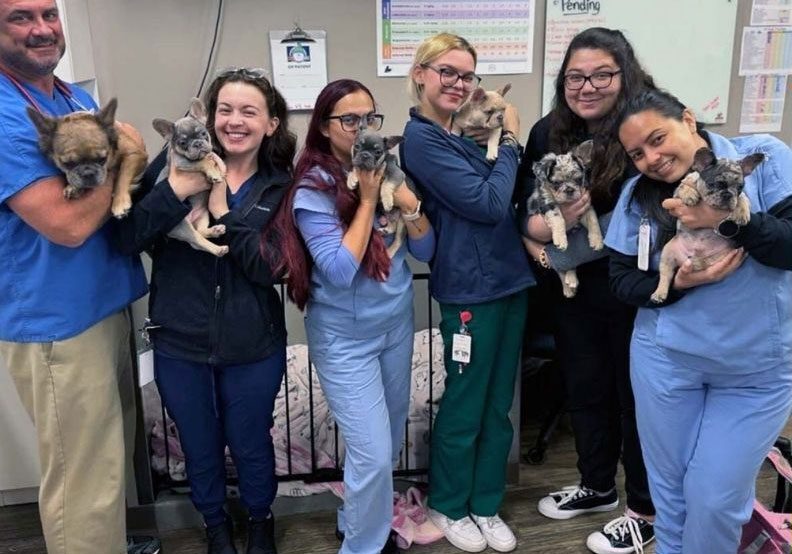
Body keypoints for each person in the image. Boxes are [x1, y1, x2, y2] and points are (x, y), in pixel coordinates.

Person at [605, 87, 792, 554]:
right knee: (670, 497)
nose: (651, 159)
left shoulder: (763, 158)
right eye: (637, 153)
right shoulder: (638, 196)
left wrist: (722, 218)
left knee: (714, 499)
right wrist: (679, 286)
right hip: (666, 362)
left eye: (657, 138)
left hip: (755, 369)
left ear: (689, 120)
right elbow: (621, 280)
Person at [117, 67, 296, 554]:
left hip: (253, 343)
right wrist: (175, 191)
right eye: (225, 109)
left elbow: (271, 268)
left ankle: (259, 521)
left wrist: (222, 209)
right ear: (209, 117)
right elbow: (128, 237)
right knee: (197, 445)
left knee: (251, 441)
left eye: (249, 111)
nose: (234, 121)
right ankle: (215, 525)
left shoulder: (281, 187)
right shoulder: (169, 165)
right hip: (179, 340)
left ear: (271, 124)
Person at [0, 1, 156, 553]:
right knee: (83, 476)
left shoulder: (72, 98)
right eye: (21, 17)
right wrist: (122, 155)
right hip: (57, 321)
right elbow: (67, 224)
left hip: (106, 303)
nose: (42, 28)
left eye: (49, 14)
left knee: (109, 458)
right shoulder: (6, 114)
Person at [268, 79, 434, 554]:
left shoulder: (389, 169)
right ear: (324, 126)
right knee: (373, 452)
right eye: (349, 119)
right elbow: (340, 271)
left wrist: (410, 205)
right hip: (345, 339)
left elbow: (426, 249)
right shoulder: (312, 189)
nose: (362, 128)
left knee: (386, 441)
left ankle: (355, 519)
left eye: (370, 118)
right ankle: (362, 546)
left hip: (396, 327)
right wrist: (367, 200)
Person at [518, 28, 656, 554]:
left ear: (625, 74)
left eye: (602, 74)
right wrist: (535, 242)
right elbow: (523, 210)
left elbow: (636, 225)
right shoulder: (546, 132)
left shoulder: (644, 129)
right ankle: (597, 486)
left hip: (631, 289)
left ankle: (644, 510)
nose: (587, 86)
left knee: (636, 401)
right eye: (575, 77)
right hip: (572, 294)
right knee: (585, 389)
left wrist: (552, 253)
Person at [401, 33, 533, 553]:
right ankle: (449, 504)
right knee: (466, 401)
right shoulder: (421, 140)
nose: (458, 83)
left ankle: (485, 503)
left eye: (467, 75)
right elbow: (488, 203)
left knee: (499, 404)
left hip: (511, 278)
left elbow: (507, 196)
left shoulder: (464, 134)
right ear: (420, 74)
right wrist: (513, 140)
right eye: (447, 71)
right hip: (469, 290)